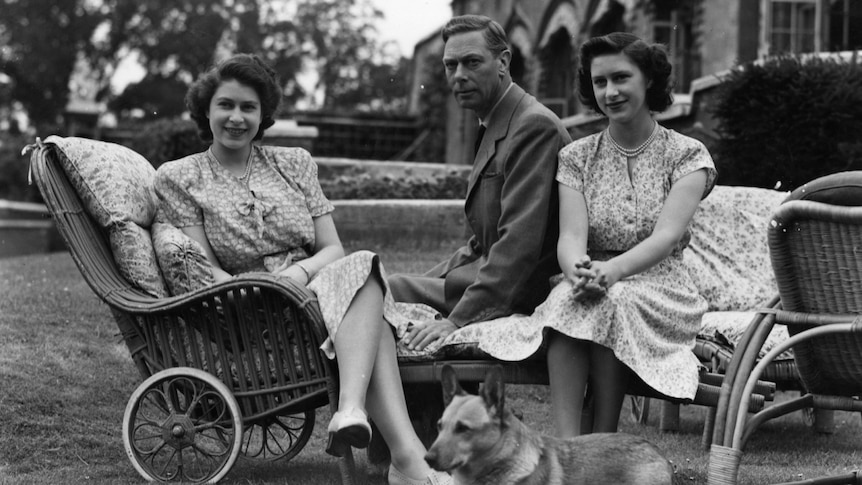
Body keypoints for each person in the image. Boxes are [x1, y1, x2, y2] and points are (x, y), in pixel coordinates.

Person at [153, 53, 450, 485]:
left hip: (314, 289)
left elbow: (332, 248)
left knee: (360, 267)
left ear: (263, 115)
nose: (236, 118)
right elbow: (208, 272)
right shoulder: (181, 178)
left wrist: (299, 274)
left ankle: (373, 430)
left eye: (248, 108)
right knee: (370, 299)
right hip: (251, 307)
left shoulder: (293, 163)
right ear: (206, 110)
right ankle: (399, 452)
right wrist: (269, 286)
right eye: (226, 105)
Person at [470, 32, 717, 437]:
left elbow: (666, 237)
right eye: (600, 82)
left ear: (649, 80)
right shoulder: (577, 157)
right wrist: (577, 271)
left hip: (661, 288)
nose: (610, 92)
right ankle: (568, 446)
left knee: (608, 298)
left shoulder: (687, 155)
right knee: (576, 297)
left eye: (621, 78)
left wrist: (612, 273)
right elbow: (571, 237)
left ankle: (602, 439)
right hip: (592, 279)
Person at [389, 15, 572, 351]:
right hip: (493, 277)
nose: (459, 76)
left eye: (472, 62)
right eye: (450, 65)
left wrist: (457, 320)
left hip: (523, 292)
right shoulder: (497, 121)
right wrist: (435, 278)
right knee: (388, 290)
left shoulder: (533, 127)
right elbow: (480, 242)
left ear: (503, 62)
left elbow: (518, 247)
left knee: (388, 302)